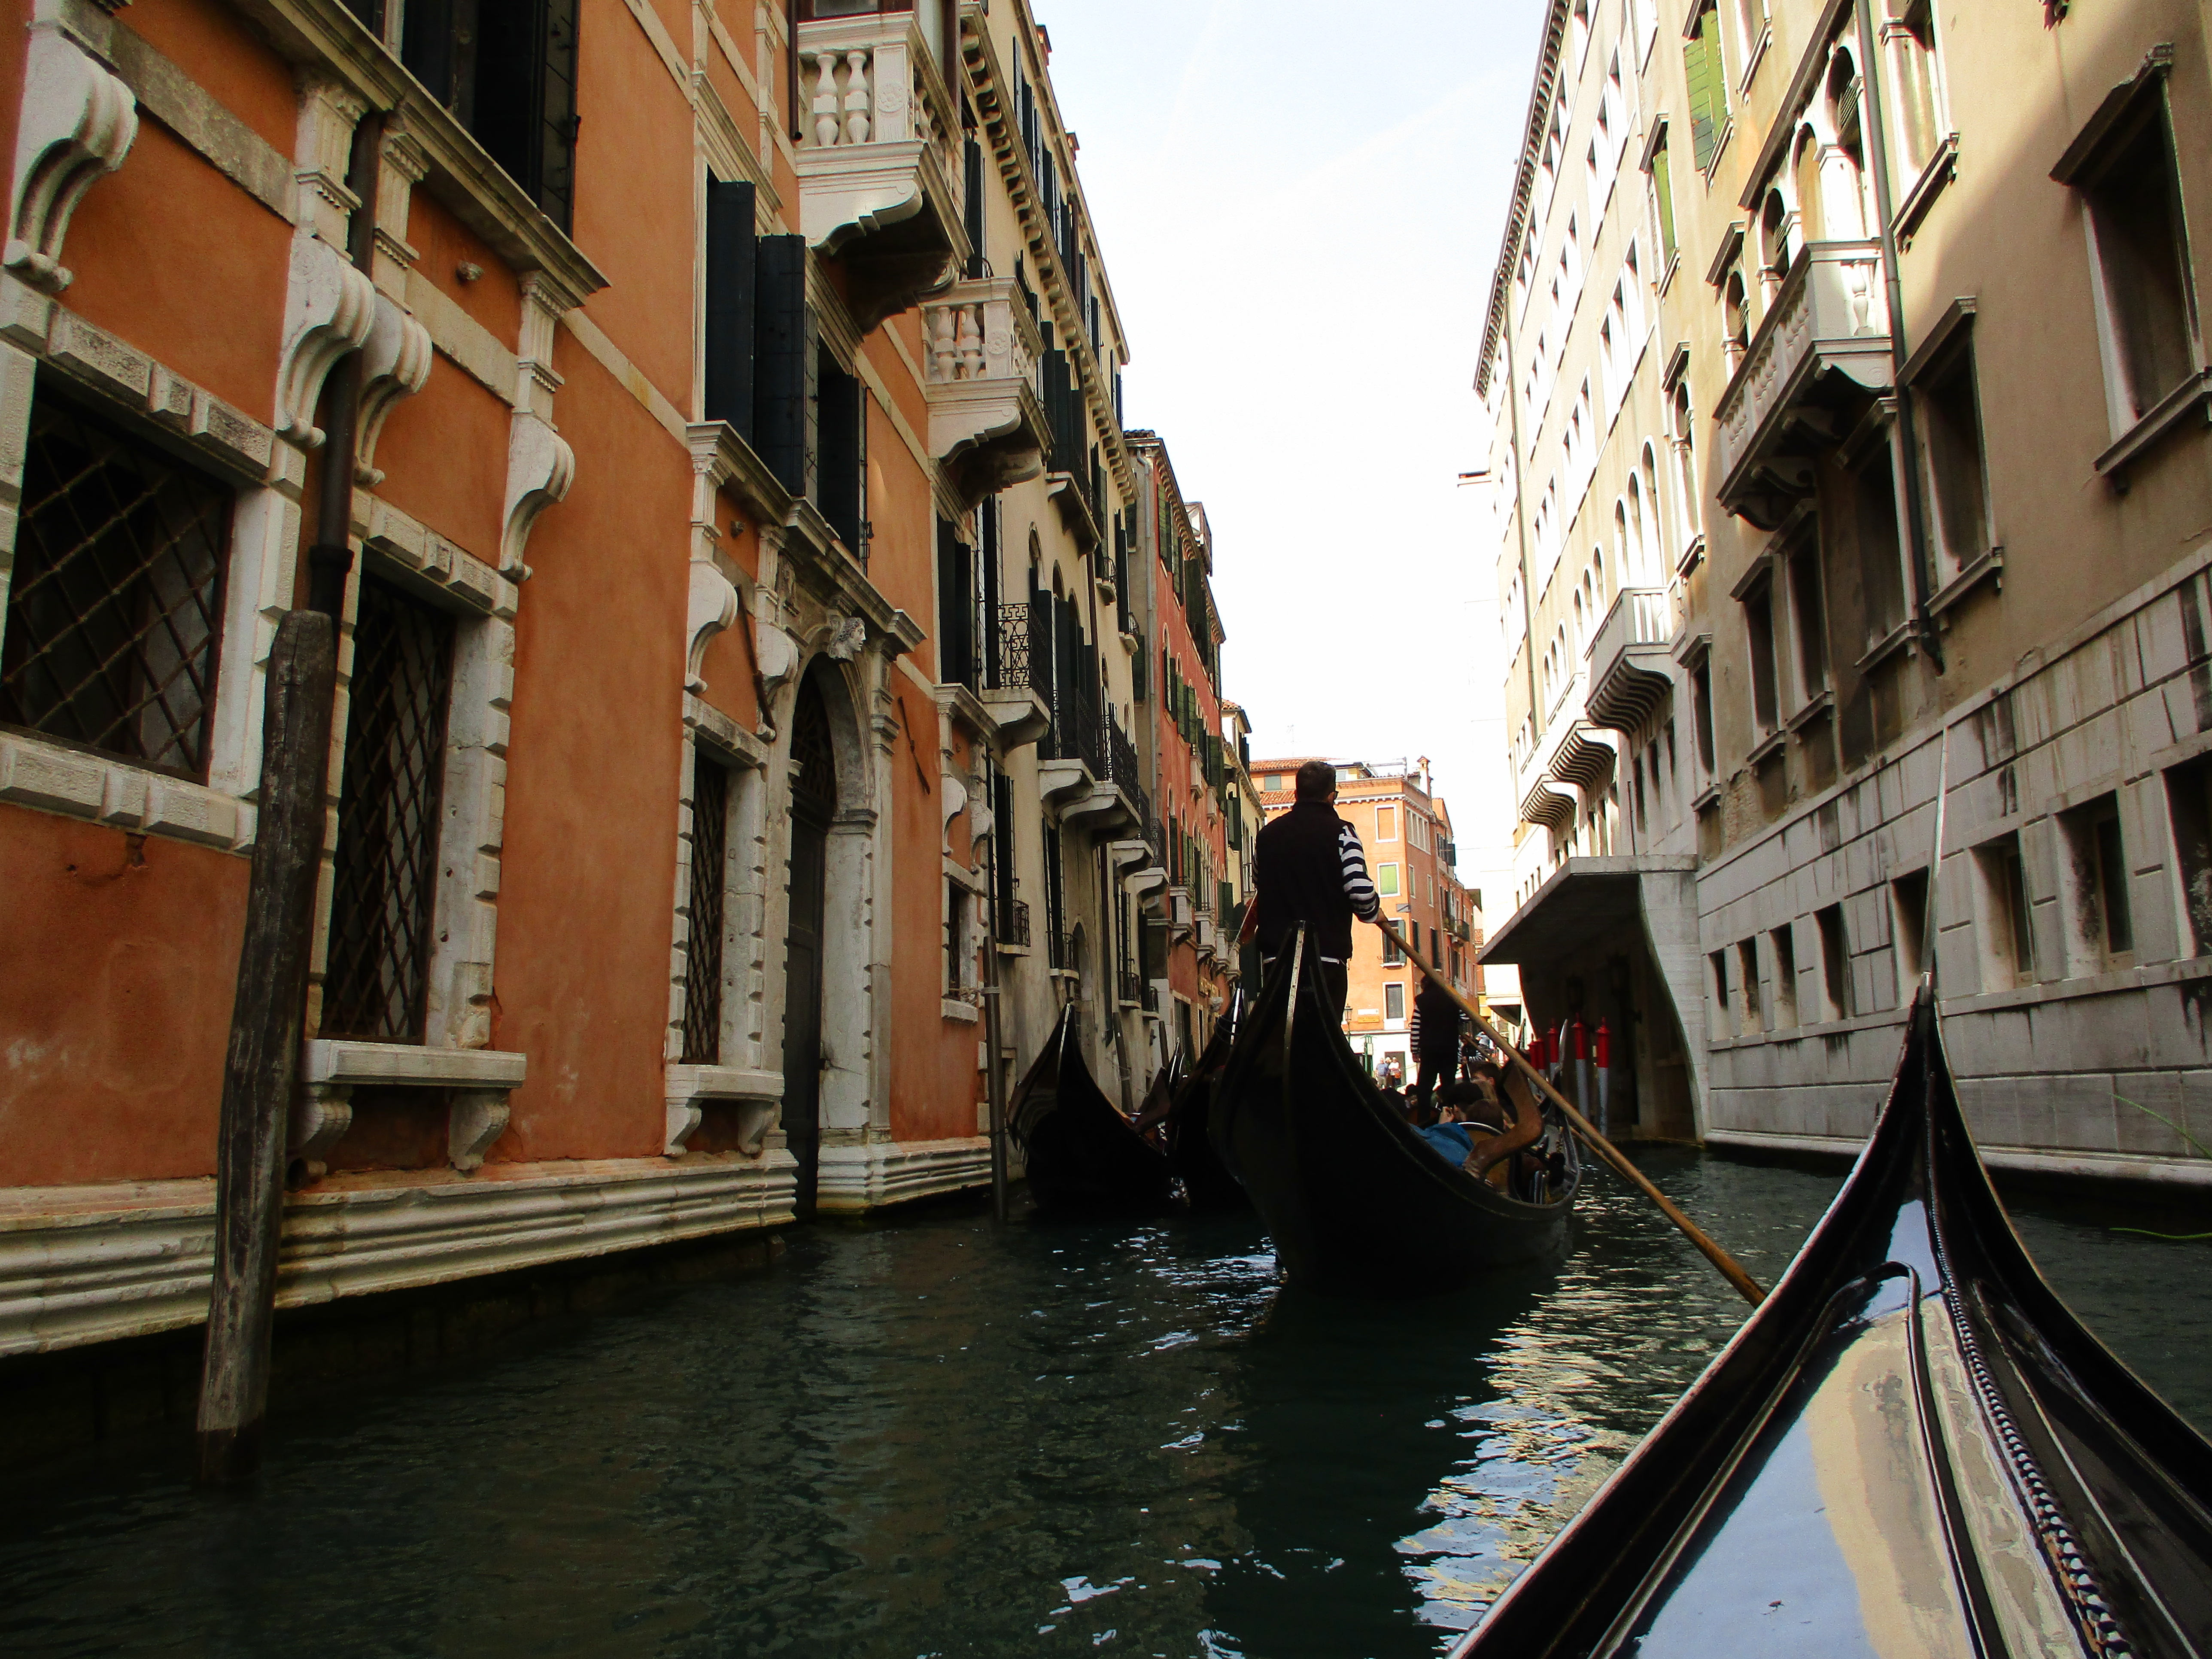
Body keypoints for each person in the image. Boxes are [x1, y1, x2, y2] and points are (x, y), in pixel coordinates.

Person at [1238, 758, 1381, 1024]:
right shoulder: (1342, 833)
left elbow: (1259, 880)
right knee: (1323, 1042)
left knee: (1279, 1038)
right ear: (1332, 797)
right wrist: (1374, 912)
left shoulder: (1267, 836)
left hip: (1276, 961)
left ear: (1296, 794)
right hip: (1325, 960)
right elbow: (1360, 894)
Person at [1408, 973, 1463, 1117]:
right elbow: (1466, 1016)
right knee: (1449, 1085)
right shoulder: (1452, 998)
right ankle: (1449, 1115)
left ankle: (1424, 1118)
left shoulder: (1422, 1001)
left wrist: (1415, 1050)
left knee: (1425, 1087)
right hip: (1450, 1047)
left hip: (1429, 1049)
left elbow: (1416, 1027)